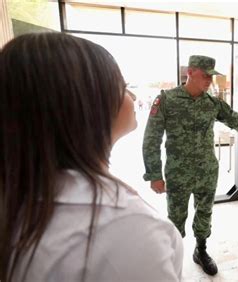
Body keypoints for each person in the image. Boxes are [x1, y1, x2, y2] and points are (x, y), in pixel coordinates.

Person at [0, 33, 183, 282]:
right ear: (86, 105)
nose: (133, 97)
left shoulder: (20, 196)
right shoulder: (125, 231)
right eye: (122, 86)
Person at [142, 55, 238, 276]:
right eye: (205, 76)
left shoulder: (212, 103)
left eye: (211, 77)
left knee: (204, 213)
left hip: (207, 172)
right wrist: (154, 174)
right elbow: (151, 139)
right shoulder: (166, 100)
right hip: (177, 174)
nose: (209, 82)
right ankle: (172, 257)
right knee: (175, 218)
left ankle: (200, 250)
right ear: (190, 72)